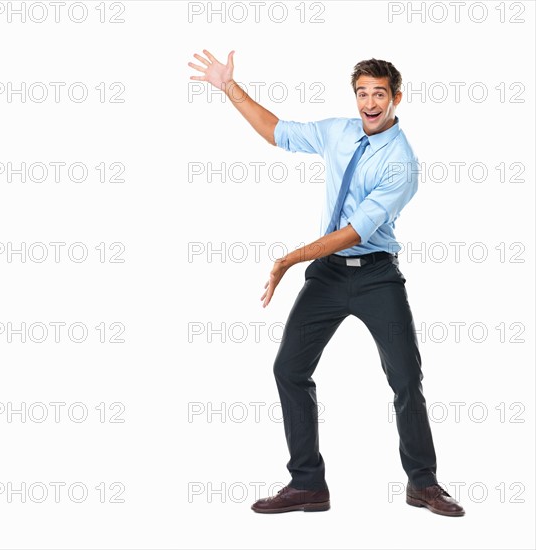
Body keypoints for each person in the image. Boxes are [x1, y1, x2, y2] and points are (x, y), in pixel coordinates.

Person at [188, 50, 465, 517]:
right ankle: (308, 484)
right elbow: (278, 132)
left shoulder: (401, 163)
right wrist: (228, 87)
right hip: (329, 274)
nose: (370, 102)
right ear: (355, 97)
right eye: (363, 93)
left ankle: (424, 483)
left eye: (380, 94)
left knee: (405, 378)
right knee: (289, 369)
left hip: (377, 275)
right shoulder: (339, 131)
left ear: (396, 99)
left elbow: (356, 231)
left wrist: (288, 259)